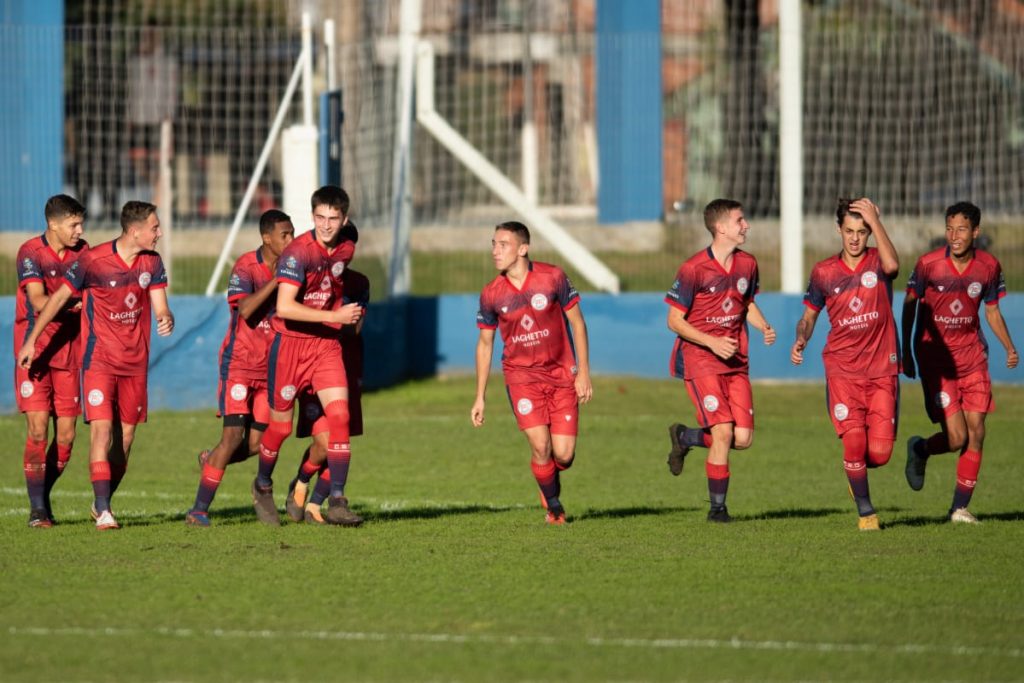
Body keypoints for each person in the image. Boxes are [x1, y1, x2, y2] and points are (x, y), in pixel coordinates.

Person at [18, 201, 174, 530]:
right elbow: (50, 299)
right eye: (155, 227)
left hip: (125, 362)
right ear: (135, 231)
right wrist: (32, 339)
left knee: (115, 439)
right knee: (63, 429)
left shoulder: (150, 262)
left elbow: (161, 304)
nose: (81, 231)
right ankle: (62, 509)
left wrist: (165, 317)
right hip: (92, 359)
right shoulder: (82, 258)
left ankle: (89, 501)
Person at [250, 185, 363, 526]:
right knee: (280, 429)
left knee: (340, 417)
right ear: (312, 216)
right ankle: (263, 484)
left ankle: (338, 499)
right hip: (290, 347)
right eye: (319, 218)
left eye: (333, 218)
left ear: (344, 219)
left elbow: (332, 286)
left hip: (325, 347)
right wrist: (334, 316)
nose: (326, 225)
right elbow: (284, 307)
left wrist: (337, 315)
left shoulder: (346, 247)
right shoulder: (298, 253)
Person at [901, 201, 1018, 523]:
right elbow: (910, 304)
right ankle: (920, 449)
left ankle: (959, 508)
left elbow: (992, 311)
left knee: (977, 431)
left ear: (975, 232)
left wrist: (1009, 346)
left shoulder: (989, 267)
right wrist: (907, 349)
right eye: (950, 229)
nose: (954, 236)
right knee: (957, 438)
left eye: (962, 229)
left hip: (973, 358)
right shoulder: (929, 265)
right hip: (936, 363)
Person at [471, 221, 593, 525]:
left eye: (503, 245)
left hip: (562, 374)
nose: (495, 251)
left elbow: (577, 323)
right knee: (540, 446)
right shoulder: (491, 294)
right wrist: (480, 397)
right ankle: (554, 507)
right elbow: (485, 344)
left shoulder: (553, 277)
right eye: (493, 244)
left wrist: (584, 373)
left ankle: (548, 474)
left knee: (563, 455)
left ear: (523, 248)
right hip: (522, 378)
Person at [664, 198, 776, 523]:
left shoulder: (748, 264)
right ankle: (717, 510)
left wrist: (764, 325)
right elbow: (674, 320)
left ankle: (686, 437)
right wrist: (712, 342)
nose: (746, 225)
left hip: (735, 362)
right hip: (700, 359)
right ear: (721, 227)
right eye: (740, 220)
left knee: (742, 439)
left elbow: (746, 303)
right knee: (724, 432)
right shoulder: (693, 269)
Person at [790, 198, 899, 531]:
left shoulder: (878, 263)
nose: (855, 238)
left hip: (882, 368)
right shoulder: (824, 272)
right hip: (842, 369)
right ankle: (866, 512)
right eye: (849, 231)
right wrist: (802, 338)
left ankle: (855, 468)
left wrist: (876, 221)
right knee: (853, 440)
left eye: (862, 231)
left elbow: (894, 266)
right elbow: (809, 316)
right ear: (839, 230)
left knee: (879, 454)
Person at [184, 210, 295, 526]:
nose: (290, 240)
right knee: (232, 437)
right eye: (284, 235)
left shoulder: (293, 268)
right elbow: (245, 309)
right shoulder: (246, 267)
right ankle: (199, 510)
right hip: (240, 366)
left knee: (258, 444)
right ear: (267, 238)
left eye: (292, 234)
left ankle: (211, 459)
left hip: (270, 369)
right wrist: (278, 280)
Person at [14, 194, 90, 527]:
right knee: (37, 429)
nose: (80, 230)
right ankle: (37, 510)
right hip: (37, 352)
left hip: (71, 352)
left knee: (67, 438)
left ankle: (40, 496)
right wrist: (75, 301)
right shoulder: (30, 253)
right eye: (73, 224)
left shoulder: (83, 252)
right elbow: (38, 299)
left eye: (80, 223)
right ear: (53, 224)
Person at [286, 267, 370, 525]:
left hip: (346, 363)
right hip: (312, 363)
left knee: (340, 442)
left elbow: (354, 329)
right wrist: (333, 316)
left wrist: (333, 320)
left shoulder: (358, 281)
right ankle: (300, 481)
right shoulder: (309, 277)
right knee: (325, 443)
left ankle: (314, 505)